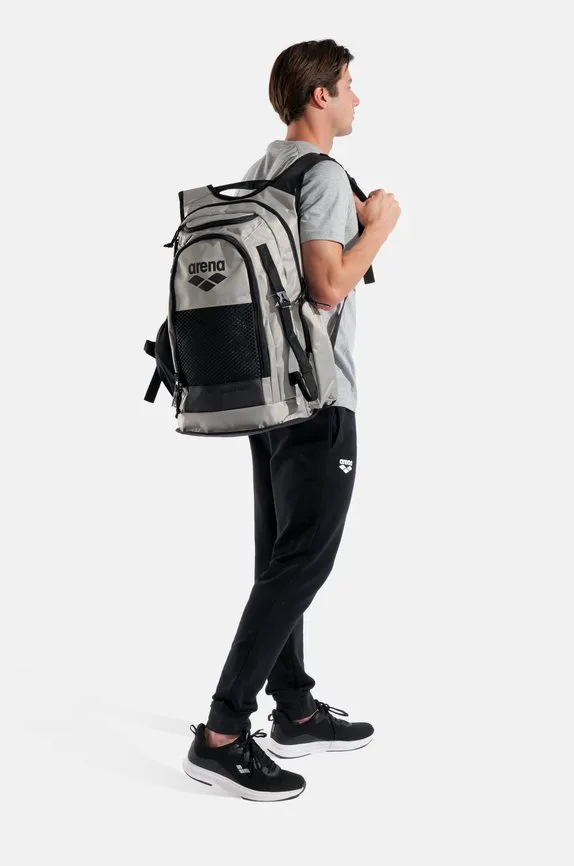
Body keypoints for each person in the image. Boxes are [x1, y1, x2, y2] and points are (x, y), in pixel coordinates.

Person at [183, 38, 401, 801]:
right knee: (304, 562)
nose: (356, 97)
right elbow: (328, 283)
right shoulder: (326, 176)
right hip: (319, 399)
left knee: (279, 559)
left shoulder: (263, 170)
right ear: (320, 95)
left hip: (269, 399)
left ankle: (296, 710)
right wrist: (382, 224)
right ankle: (222, 732)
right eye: (349, 84)